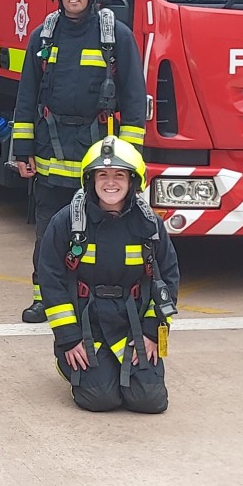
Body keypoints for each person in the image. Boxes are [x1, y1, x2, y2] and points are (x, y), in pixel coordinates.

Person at [11, 0, 148, 324]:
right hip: (51, 150)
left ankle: (89, 295)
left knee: (98, 230)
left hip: (99, 156)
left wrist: (130, 159)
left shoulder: (115, 36)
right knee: (49, 230)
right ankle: (45, 297)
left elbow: (135, 100)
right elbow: (27, 96)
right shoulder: (44, 36)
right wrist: (22, 151)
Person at [34, 135, 180, 414]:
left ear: (133, 181)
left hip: (133, 325)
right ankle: (67, 365)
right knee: (100, 399)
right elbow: (50, 278)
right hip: (88, 325)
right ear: (90, 179)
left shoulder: (149, 225)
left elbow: (168, 279)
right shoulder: (67, 222)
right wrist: (68, 338)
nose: (110, 182)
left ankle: (121, 371)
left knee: (149, 401)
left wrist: (151, 332)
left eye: (119, 175)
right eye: (102, 174)